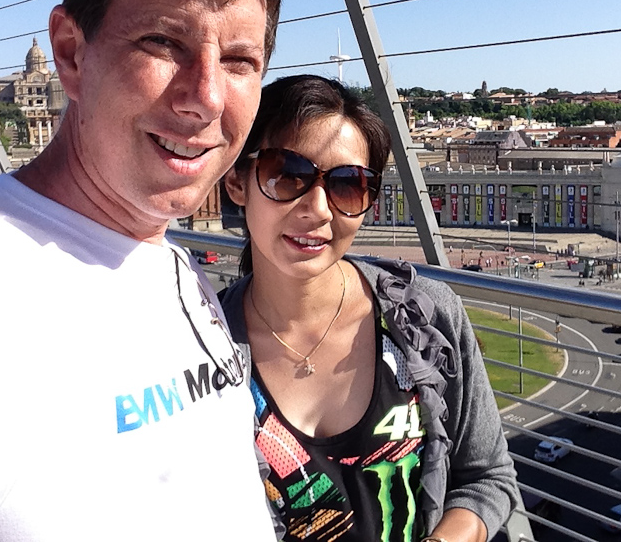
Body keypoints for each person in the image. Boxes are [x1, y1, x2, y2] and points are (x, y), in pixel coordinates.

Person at [0, 0, 282, 541]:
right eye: (163, 41)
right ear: (69, 52)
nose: (204, 97)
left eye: (239, 60)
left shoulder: (174, 268)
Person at [221, 75, 520, 541]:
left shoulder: (425, 319)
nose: (318, 209)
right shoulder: (202, 347)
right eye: (287, 173)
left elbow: (487, 478)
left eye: (347, 184)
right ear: (237, 182)